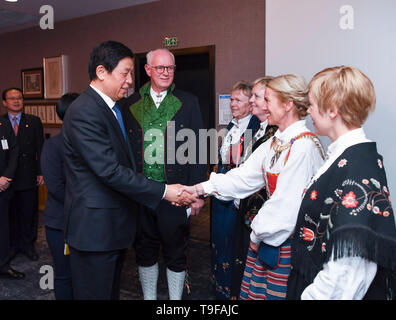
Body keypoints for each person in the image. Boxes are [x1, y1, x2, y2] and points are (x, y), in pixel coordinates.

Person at [62, 41, 195, 300]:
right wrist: (165, 191)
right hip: (95, 231)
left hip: (112, 227)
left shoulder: (110, 108)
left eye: (131, 73)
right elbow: (110, 171)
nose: (130, 81)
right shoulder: (85, 112)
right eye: (125, 73)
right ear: (102, 72)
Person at [181, 74, 325, 300]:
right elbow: (243, 177)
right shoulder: (276, 141)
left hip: (284, 244)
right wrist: (198, 189)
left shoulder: (303, 147)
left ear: (287, 105)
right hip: (269, 241)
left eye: (268, 100)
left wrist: (256, 235)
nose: (261, 106)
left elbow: (284, 208)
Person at [286, 66, 396, 300]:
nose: (309, 111)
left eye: (312, 104)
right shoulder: (343, 156)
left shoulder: (357, 167)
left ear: (333, 110)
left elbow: (347, 275)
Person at [120, 48, 207, 300]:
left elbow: (199, 147)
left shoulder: (188, 101)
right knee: (144, 250)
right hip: (140, 193)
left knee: (176, 251)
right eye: (160, 68)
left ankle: (175, 302)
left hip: (177, 192)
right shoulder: (129, 104)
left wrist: (198, 193)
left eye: (170, 68)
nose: (166, 72)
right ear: (148, 70)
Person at [209, 80, 260, 299]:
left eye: (237, 99)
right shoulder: (231, 127)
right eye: (231, 99)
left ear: (251, 104)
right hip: (221, 193)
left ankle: (232, 293)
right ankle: (219, 289)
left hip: (238, 195)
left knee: (233, 243)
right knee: (219, 241)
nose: (232, 104)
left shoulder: (255, 130)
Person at [230, 76, 277, 299]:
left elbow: (248, 176)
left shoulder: (275, 136)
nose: (252, 101)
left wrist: (200, 189)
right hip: (248, 208)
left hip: (261, 217)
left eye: (257, 96)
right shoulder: (260, 130)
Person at [40, 93, 79, 299]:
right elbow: (55, 187)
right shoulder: (52, 146)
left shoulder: (91, 143)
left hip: (86, 222)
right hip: (61, 222)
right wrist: (86, 204)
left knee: (84, 275)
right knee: (64, 275)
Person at [1, 87, 44, 262]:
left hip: (28, 174)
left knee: (29, 212)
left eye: (19, 98)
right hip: (7, 177)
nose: (16, 101)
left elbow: (41, 148)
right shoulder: (1, 123)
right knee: (10, 214)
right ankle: (11, 246)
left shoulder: (33, 121)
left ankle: (28, 245)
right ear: (5, 103)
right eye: (12, 98)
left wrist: (41, 171)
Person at [0, 114, 24, 279]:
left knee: (3, 229)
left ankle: (3, 265)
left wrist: (6, 177)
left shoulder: (3, 124)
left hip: (4, 185)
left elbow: (14, 150)